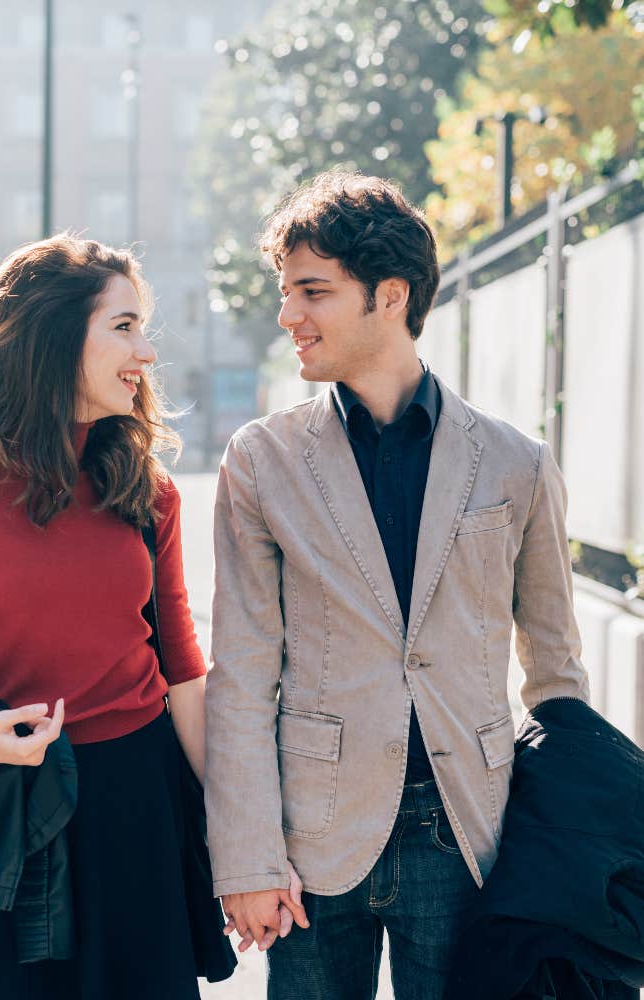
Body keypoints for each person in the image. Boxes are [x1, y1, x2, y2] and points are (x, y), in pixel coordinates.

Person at [204, 171, 590, 999]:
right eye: (285, 292)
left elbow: (557, 680)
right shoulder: (262, 462)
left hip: (469, 836)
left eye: (313, 291)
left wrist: (562, 852)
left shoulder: (517, 464)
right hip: (313, 842)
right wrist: (247, 858)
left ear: (390, 295)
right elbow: (241, 673)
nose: (288, 315)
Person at [0, 234, 211, 1000]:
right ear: (55, 335)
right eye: (124, 325)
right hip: (11, 815)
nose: (147, 351)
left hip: (139, 803)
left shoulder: (147, 492)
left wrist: (238, 831)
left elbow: (184, 674)